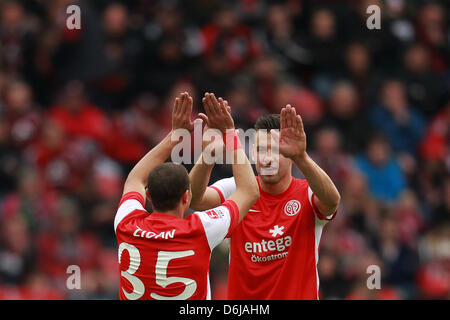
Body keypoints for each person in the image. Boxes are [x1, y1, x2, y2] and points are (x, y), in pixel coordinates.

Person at [114, 92, 259, 300]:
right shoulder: (200, 229)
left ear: (148, 196)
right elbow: (250, 191)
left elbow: (134, 179)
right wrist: (229, 133)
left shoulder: (126, 223)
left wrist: (175, 136)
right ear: (186, 198)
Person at [190, 103, 341, 299]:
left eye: (277, 150)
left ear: (290, 154)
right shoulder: (237, 189)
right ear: (253, 153)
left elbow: (332, 201)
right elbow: (194, 199)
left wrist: (302, 157)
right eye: (262, 150)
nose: (268, 158)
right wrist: (208, 155)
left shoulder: (308, 193)